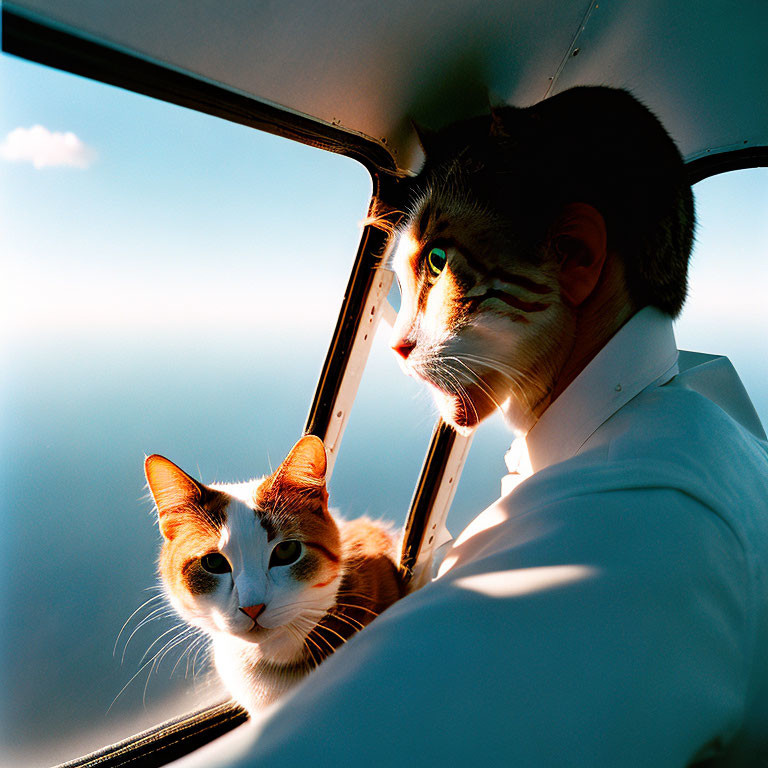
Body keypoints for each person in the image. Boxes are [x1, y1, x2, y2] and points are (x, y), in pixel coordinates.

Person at [179, 88, 768, 767]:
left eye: (437, 264)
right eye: (404, 282)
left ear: (573, 256)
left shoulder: (626, 525)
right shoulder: (699, 421)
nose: (401, 338)